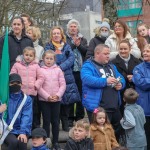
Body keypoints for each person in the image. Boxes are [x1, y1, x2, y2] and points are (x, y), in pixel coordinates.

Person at [81, 44, 125, 140]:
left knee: (117, 132)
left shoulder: (111, 65)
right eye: (105, 54)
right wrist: (105, 81)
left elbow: (121, 77)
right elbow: (87, 79)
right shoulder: (87, 66)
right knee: (100, 137)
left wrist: (121, 84)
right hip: (98, 108)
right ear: (97, 53)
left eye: (108, 54)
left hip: (114, 107)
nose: (108, 56)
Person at [44, 26, 80, 132]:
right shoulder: (48, 46)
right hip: (52, 77)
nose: (56, 35)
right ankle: (55, 126)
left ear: (61, 35)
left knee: (66, 102)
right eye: (54, 33)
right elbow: (49, 58)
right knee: (56, 102)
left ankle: (65, 124)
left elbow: (71, 58)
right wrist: (57, 68)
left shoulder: (66, 46)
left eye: (58, 33)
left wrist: (61, 67)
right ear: (51, 35)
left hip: (67, 76)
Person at [38, 50, 66, 150]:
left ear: (54, 60)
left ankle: (55, 142)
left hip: (56, 100)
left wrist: (58, 95)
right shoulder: (40, 70)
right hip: (44, 100)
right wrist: (47, 96)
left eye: (51, 59)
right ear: (43, 59)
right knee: (46, 121)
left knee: (55, 121)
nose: (49, 60)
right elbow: (39, 87)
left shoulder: (58, 70)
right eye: (47, 58)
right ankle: (46, 142)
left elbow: (63, 84)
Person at [10, 46, 43, 129]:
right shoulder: (17, 65)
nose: (28, 57)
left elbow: (41, 77)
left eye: (31, 55)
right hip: (19, 93)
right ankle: (19, 128)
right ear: (23, 55)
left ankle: (31, 129)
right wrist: (16, 86)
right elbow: (12, 75)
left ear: (34, 57)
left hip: (31, 93)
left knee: (31, 112)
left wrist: (36, 85)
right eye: (26, 55)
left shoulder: (36, 66)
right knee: (19, 111)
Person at [66, 19, 88, 127]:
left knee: (80, 93)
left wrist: (79, 45)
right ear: (68, 28)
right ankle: (69, 117)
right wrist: (74, 45)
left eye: (75, 26)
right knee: (70, 93)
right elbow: (66, 51)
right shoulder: (65, 39)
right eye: (71, 26)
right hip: (70, 70)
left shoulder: (83, 39)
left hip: (81, 70)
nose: (73, 28)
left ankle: (80, 116)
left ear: (77, 28)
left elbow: (86, 51)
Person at [112, 39, 141, 114]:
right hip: (121, 92)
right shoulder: (113, 63)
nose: (123, 51)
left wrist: (134, 77)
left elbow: (140, 75)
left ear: (130, 49)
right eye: (121, 49)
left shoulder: (137, 61)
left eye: (125, 49)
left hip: (134, 92)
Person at [4, 73, 32, 150]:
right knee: (13, 142)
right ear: (8, 84)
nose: (15, 85)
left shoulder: (27, 99)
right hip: (7, 130)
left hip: (22, 128)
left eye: (18, 83)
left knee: (22, 141)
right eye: (12, 83)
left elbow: (26, 116)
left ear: (21, 84)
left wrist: (23, 132)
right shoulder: (4, 98)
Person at [132, 44, 150, 150]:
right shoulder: (138, 68)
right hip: (144, 108)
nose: (145, 53)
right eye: (144, 51)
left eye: (148, 51)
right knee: (146, 135)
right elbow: (142, 83)